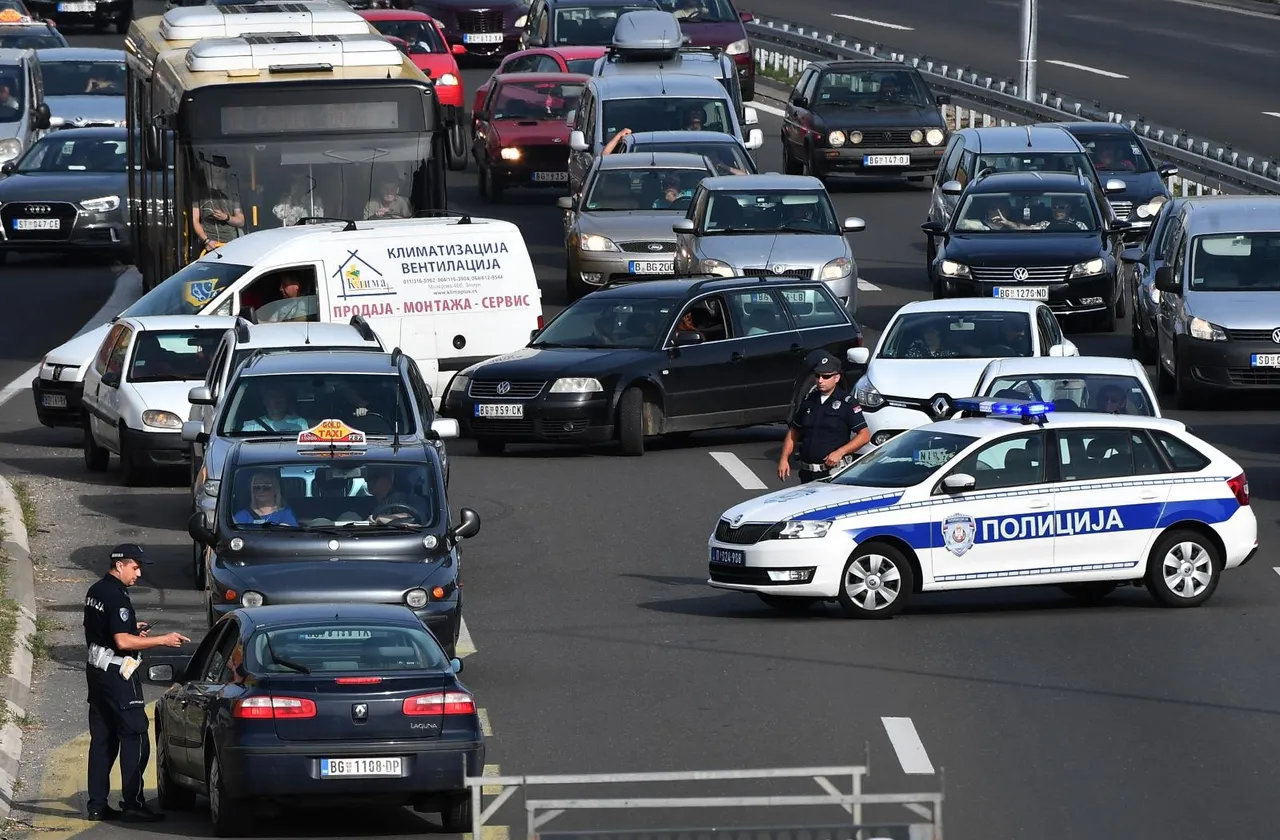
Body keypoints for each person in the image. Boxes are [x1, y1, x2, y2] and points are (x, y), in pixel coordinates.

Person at [83, 544, 190, 822]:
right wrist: (162, 640)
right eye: (135, 567)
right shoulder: (117, 596)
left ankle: (96, 805)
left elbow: (105, 630)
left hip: (96, 674)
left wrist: (133, 627)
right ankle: (133, 803)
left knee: (103, 740)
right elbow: (122, 642)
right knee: (136, 736)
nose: (139, 574)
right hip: (119, 674)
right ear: (120, 565)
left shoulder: (96, 591)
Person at [778, 355, 870, 483]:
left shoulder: (846, 403)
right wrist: (784, 459)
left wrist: (840, 452)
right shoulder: (809, 400)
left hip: (832, 474)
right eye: (818, 376)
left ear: (837, 378)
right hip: (807, 473)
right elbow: (794, 431)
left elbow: (864, 435)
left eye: (826, 377)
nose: (820, 380)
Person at [233, 470, 299, 526]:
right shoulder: (242, 515)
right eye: (256, 487)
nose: (261, 491)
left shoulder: (286, 513)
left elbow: (291, 537)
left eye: (266, 487)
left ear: (275, 490)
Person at [192, 188, 245, 254]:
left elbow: (241, 221)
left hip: (232, 243)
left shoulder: (233, 193)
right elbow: (195, 220)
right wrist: (207, 241)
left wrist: (226, 217)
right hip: (210, 244)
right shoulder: (199, 194)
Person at [239, 383, 309, 432]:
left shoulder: (300, 423)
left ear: (286, 401)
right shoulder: (251, 426)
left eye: (281, 396)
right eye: (273, 396)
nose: (277, 400)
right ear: (265, 401)